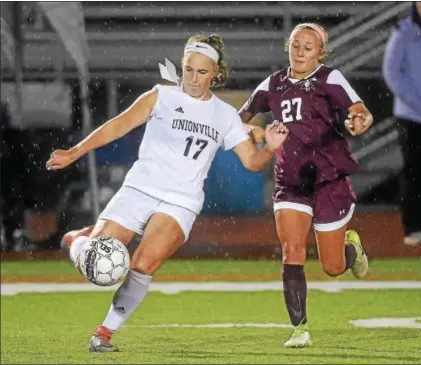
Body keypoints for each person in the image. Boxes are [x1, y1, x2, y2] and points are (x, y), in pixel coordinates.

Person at [46, 33, 288, 352]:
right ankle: (77, 241)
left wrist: (270, 148)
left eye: (202, 72)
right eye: (188, 69)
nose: (193, 78)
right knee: (99, 271)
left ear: (215, 74)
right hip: (140, 188)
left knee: (143, 264)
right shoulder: (160, 95)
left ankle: (103, 334)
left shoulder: (226, 116)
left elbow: (252, 162)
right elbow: (118, 125)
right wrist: (75, 152)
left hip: (182, 200)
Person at [239, 23, 373, 348]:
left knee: (332, 267)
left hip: (328, 180)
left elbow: (360, 112)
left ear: (320, 53)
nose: (300, 52)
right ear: (288, 46)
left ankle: (350, 249)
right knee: (292, 250)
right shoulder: (273, 83)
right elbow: (239, 118)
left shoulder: (330, 78)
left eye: (308, 48)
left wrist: (359, 122)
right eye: (295, 45)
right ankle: (300, 329)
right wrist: (257, 134)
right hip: (291, 181)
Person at [382, 2, 421, 246]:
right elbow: (392, 71)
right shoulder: (402, 31)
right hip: (411, 116)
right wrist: (416, 100)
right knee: (414, 172)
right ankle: (414, 227)